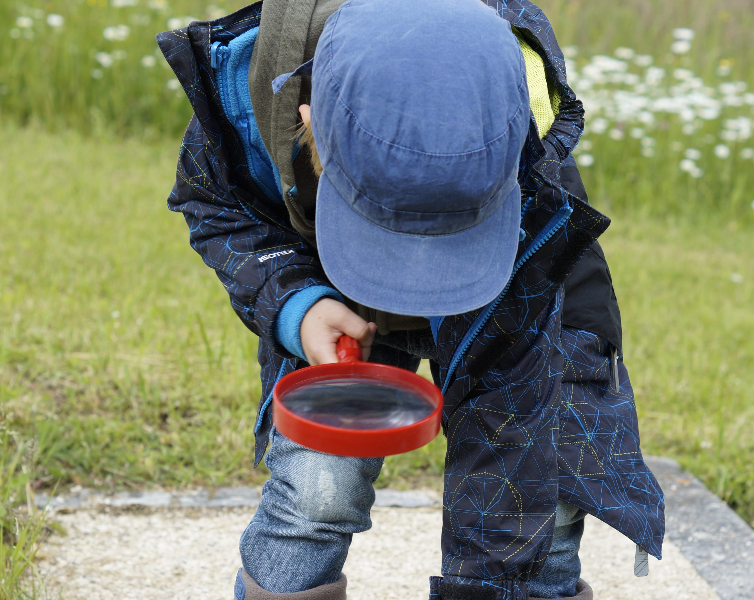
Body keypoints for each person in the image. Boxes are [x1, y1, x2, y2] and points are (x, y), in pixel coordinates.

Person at [156, 0, 665, 598]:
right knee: (319, 488)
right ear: (310, 118)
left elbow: (508, 450)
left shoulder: (520, 136)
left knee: (543, 501)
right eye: (389, 235)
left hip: (509, 285)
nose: (415, 273)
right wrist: (298, 303)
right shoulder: (246, 97)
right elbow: (218, 208)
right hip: (342, 299)